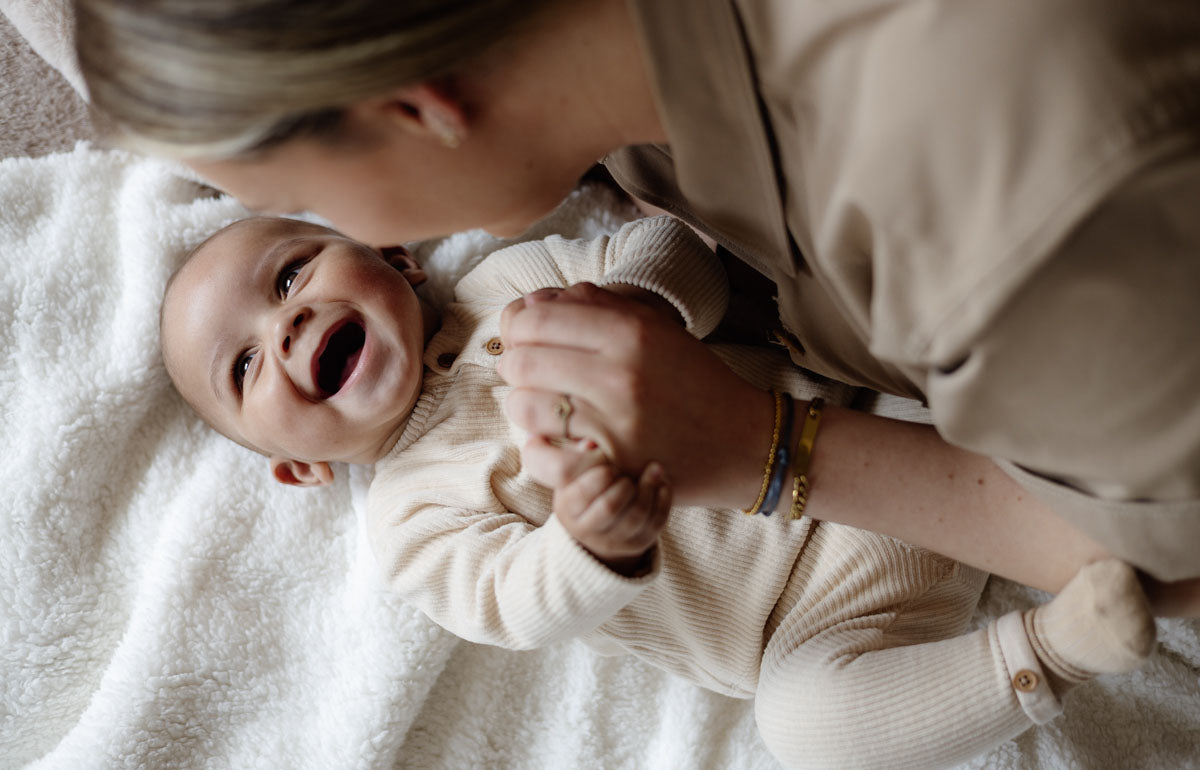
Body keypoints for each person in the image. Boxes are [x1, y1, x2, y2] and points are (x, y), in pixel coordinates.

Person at [74, 0, 1200, 591]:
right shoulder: (605, 108)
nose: (360, 247)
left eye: (297, 216)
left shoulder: (991, 207)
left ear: (416, 106)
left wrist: (763, 446)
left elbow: (1172, 554)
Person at [161, 213, 1156, 770]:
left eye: (291, 272)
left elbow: (671, 244)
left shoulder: (515, 282)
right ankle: (1056, 647)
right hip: (820, 619)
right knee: (806, 730)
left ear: (398, 259)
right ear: (297, 469)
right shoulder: (412, 519)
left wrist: (636, 302)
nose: (286, 323)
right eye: (245, 363)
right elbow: (514, 600)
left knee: (930, 322)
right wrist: (590, 542)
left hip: (872, 419)